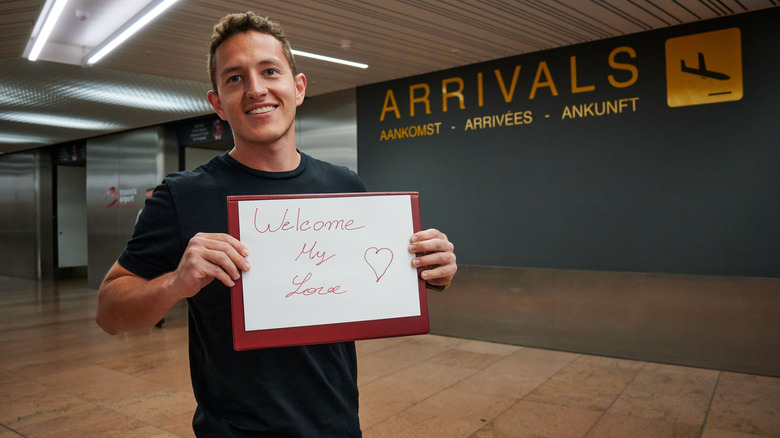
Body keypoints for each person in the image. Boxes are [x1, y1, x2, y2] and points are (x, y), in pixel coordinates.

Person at [95, 11, 457, 437]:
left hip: (339, 427)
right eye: (234, 79)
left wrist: (433, 270)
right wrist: (176, 282)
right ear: (218, 104)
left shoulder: (344, 185)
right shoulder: (182, 196)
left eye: (269, 71)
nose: (256, 89)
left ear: (297, 87)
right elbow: (109, 313)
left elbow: (377, 284)